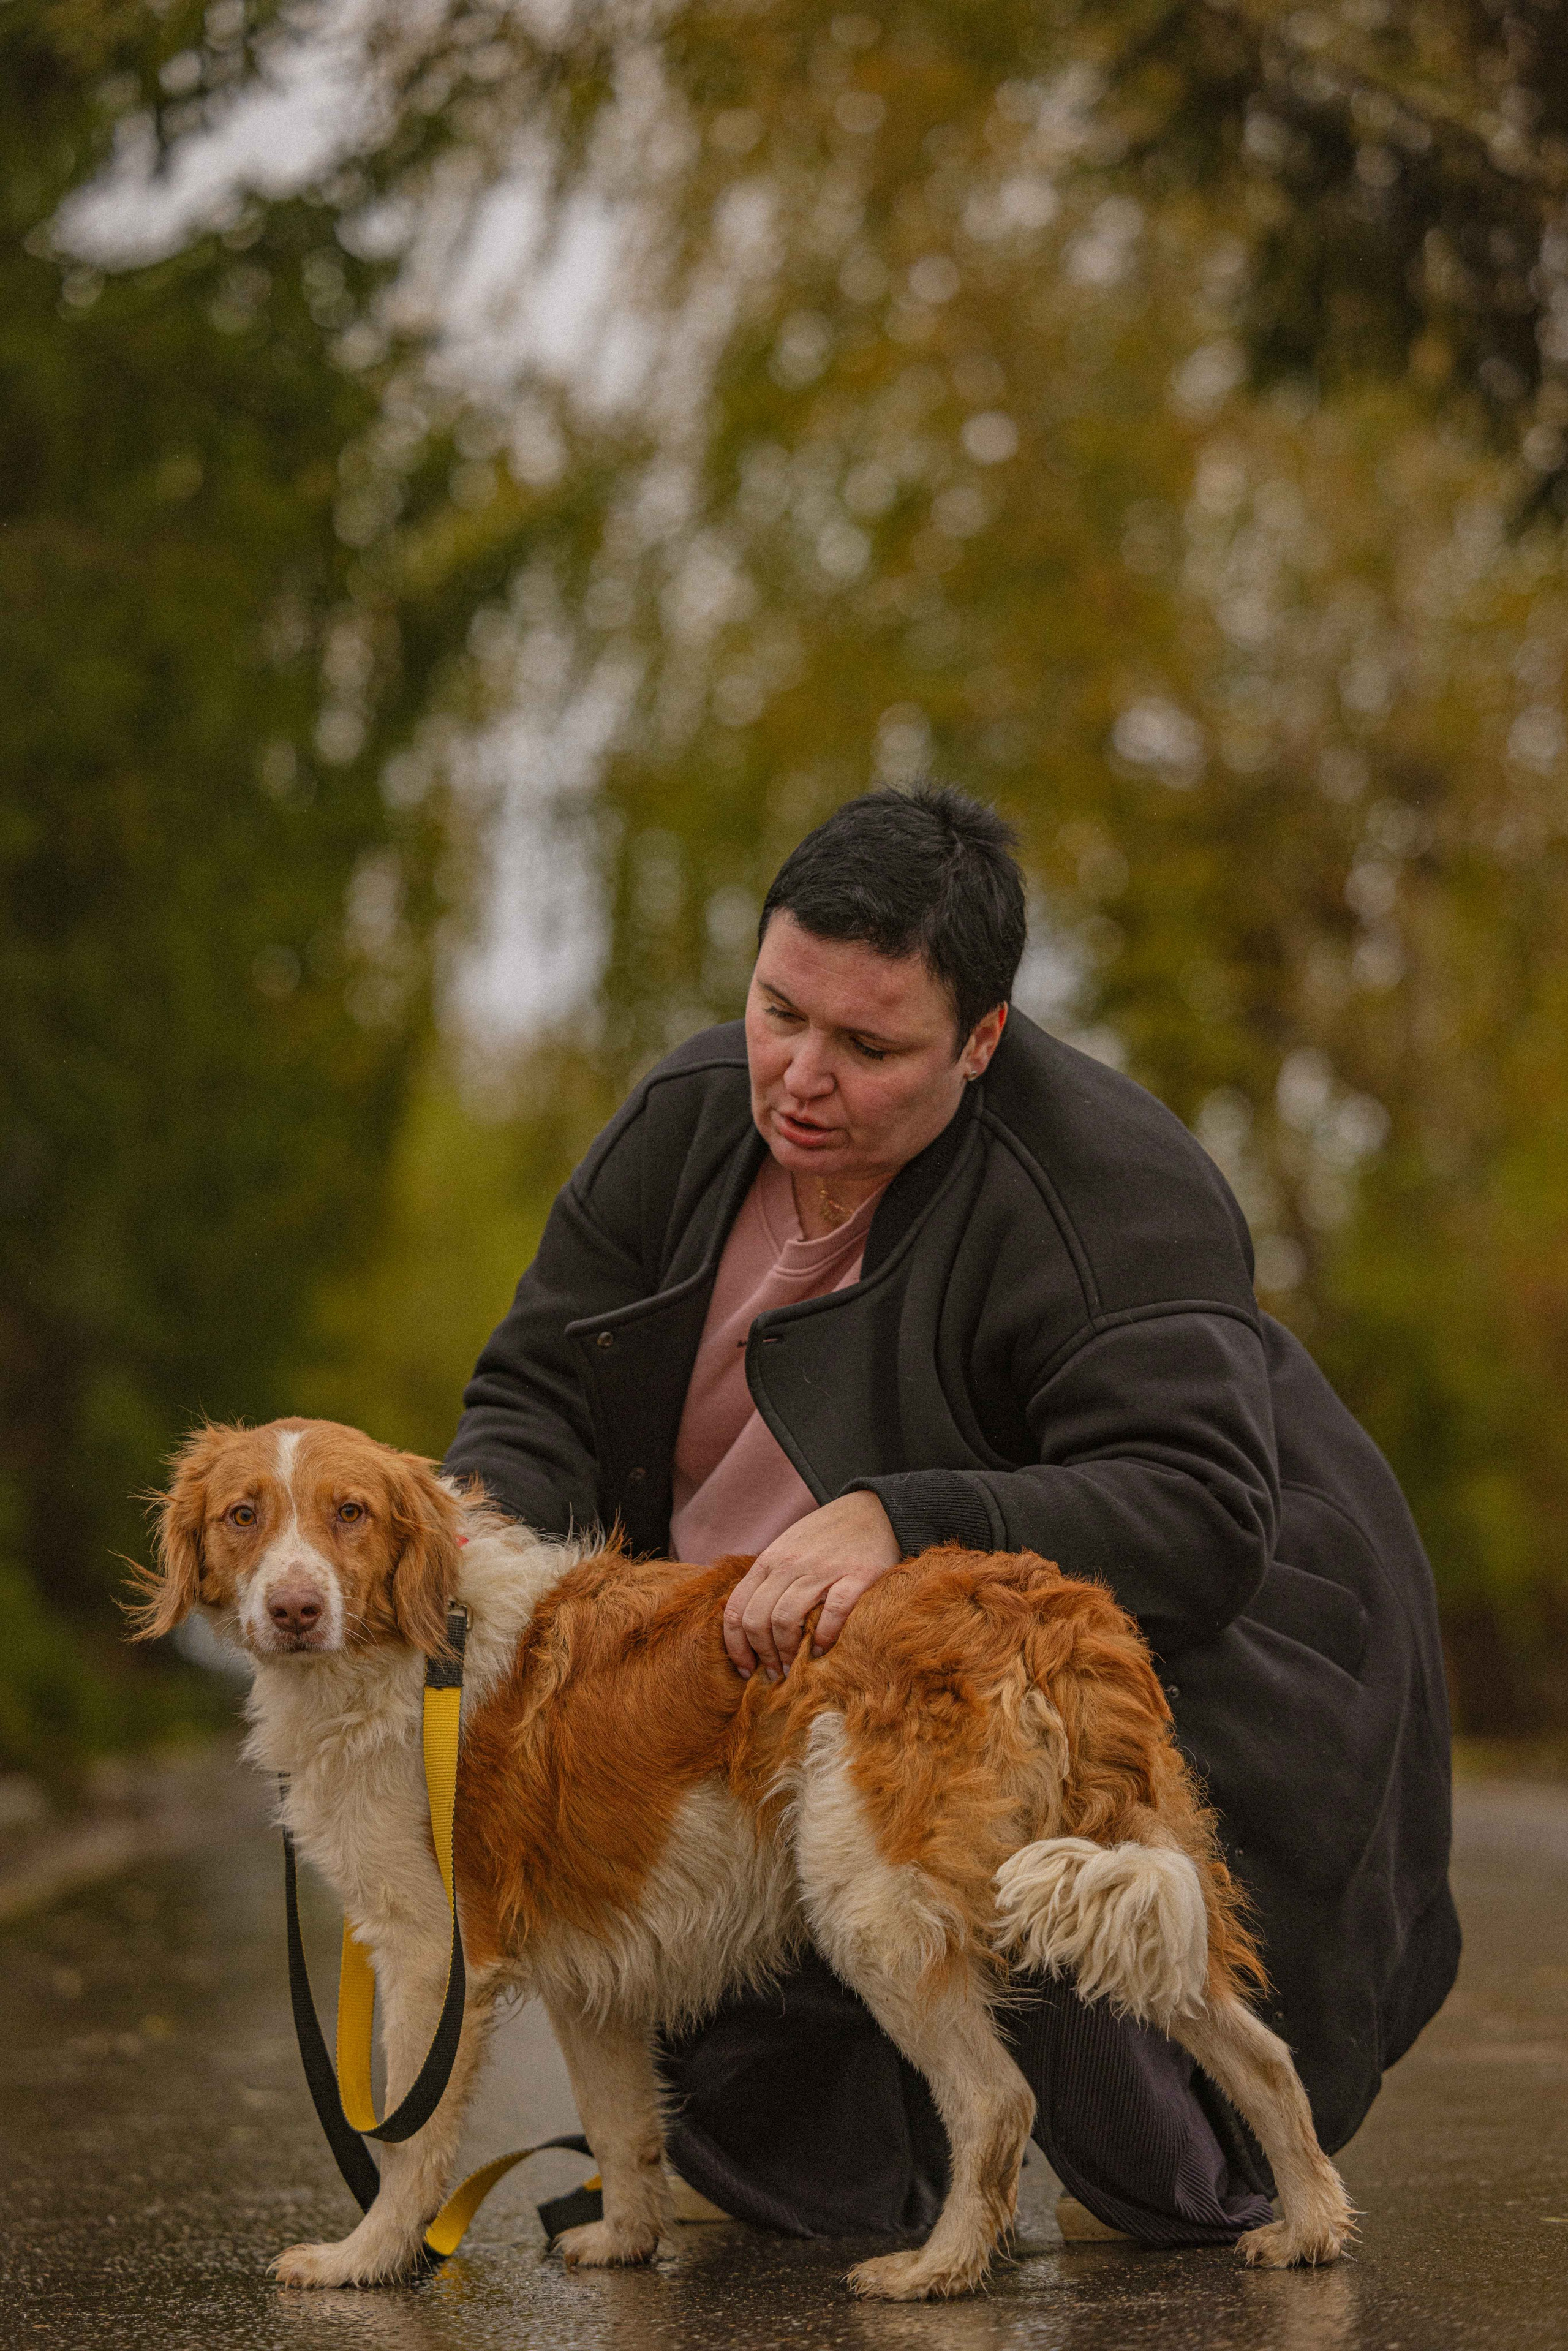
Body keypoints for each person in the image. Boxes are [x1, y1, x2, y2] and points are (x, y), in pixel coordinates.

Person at [445, 785, 1458, 2246]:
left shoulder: (1113, 1182)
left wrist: (897, 1516)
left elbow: (1194, 1510)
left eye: (868, 1046)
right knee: (778, 2170)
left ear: (978, 1039)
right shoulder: (678, 1121)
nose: (800, 1075)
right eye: (778, 1008)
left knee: (1160, 2183)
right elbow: (530, 1392)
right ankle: (831, 2139)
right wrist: (460, 1602)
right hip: (792, 1691)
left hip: (1216, 1650)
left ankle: (1141, 2126)